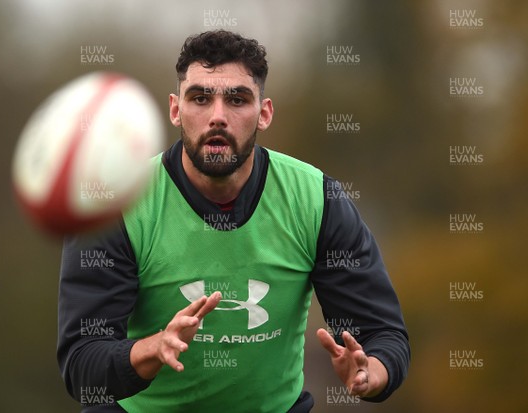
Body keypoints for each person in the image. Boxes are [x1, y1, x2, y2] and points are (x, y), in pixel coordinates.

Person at [57, 29, 410, 413]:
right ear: (176, 109)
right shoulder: (119, 205)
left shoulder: (316, 199)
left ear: (264, 112)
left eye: (238, 99)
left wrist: (370, 374)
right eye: (201, 98)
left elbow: (382, 335)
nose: (218, 117)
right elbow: (82, 365)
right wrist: (152, 349)